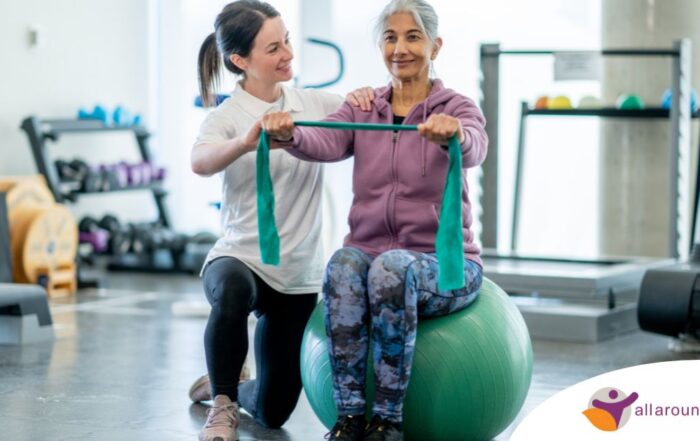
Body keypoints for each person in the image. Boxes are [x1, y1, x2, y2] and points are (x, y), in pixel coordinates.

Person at [261, 0, 488, 440]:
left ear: (435, 45)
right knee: (345, 263)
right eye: (390, 37)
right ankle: (349, 419)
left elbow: (477, 145)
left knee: (390, 269)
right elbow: (323, 138)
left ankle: (387, 422)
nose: (399, 48)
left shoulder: (456, 107)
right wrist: (290, 133)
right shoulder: (363, 107)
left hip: (445, 268)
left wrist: (454, 134)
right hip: (373, 261)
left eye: (412, 36)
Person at [191, 2, 372, 440]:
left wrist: (368, 98)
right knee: (231, 291)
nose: (288, 52)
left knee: (273, 413)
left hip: (296, 274)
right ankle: (222, 404)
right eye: (274, 47)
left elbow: (365, 114)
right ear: (241, 61)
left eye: (286, 39)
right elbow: (199, 161)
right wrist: (244, 142)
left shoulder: (314, 103)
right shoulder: (226, 117)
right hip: (241, 257)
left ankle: (225, 385)